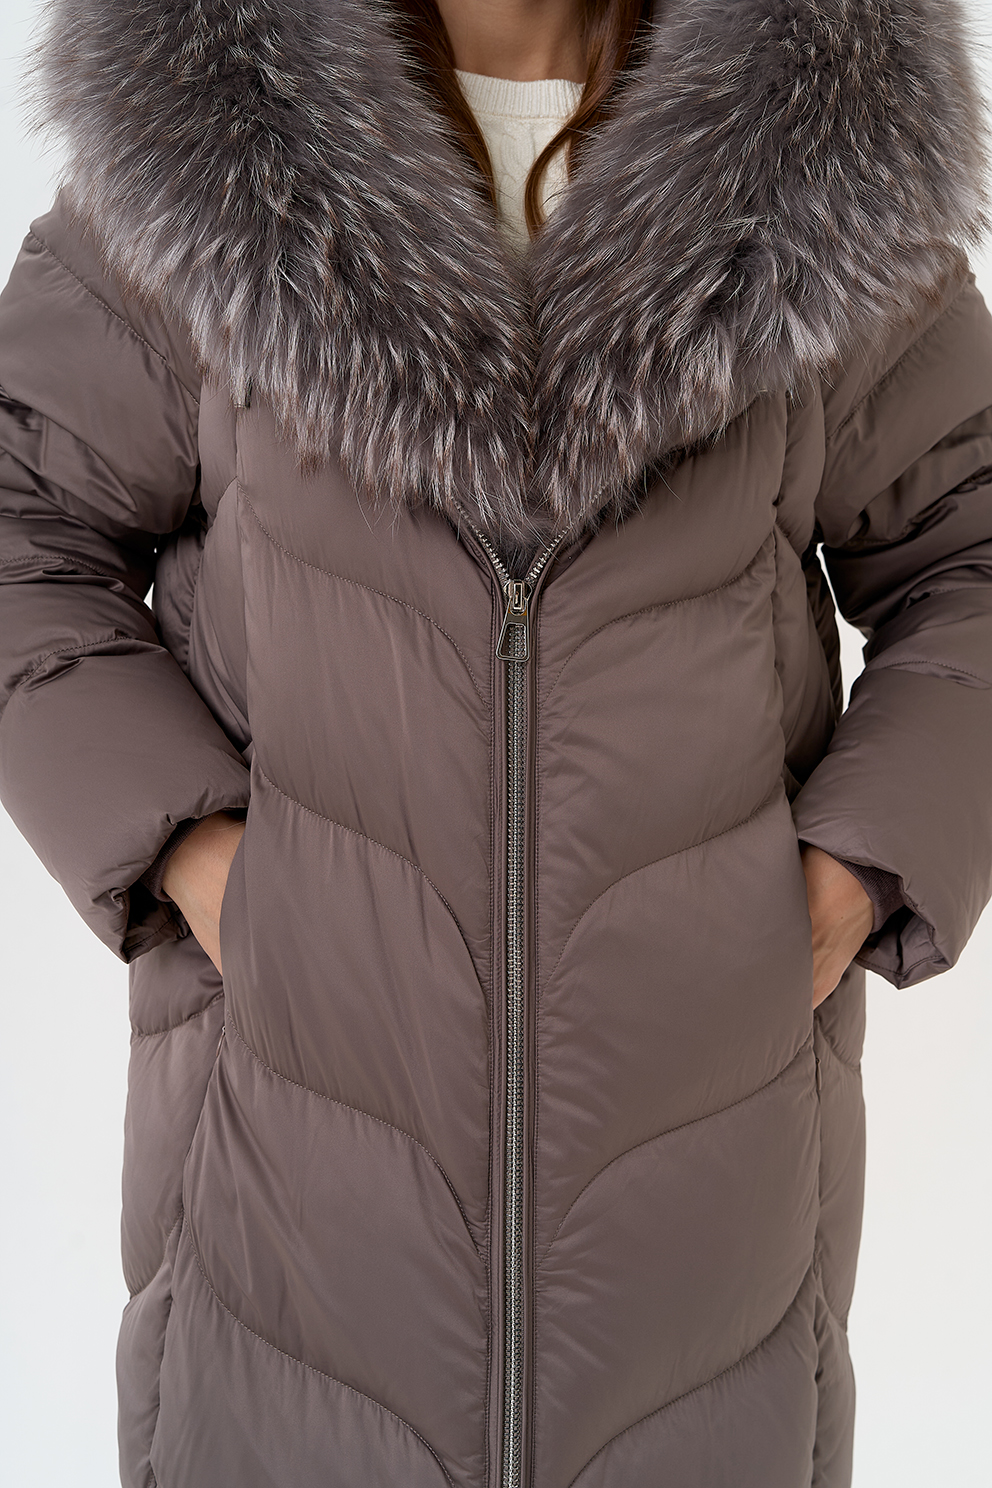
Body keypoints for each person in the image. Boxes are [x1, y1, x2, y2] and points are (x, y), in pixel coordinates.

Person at [1, 0, 990, 1483]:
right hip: (286, 1219)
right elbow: (23, 523)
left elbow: (972, 560)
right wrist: (201, 866)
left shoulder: (817, 160)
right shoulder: (207, 146)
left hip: (701, 1238)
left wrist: (849, 885)